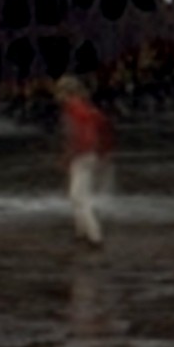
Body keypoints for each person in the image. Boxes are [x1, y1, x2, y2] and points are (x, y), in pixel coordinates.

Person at [54, 76, 113, 245]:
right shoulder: (85, 108)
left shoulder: (75, 109)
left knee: (80, 197)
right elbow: (102, 124)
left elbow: (80, 136)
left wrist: (71, 154)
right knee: (76, 196)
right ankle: (82, 231)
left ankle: (94, 235)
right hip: (89, 154)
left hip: (83, 155)